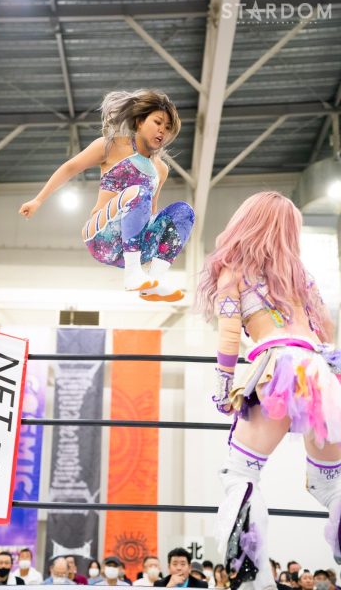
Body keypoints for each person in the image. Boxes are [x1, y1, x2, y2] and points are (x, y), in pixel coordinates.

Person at [196, 191, 341, 590]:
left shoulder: (233, 271)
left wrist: (223, 389)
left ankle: (253, 579)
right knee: (330, 483)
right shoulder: (300, 275)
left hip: (279, 369)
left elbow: (229, 337)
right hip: (323, 372)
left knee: (240, 473)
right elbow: (324, 331)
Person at [19, 89, 195, 302]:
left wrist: (152, 254)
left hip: (134, 247)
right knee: (139, 192)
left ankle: (153, 281)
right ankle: (132, 274)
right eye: (158, 122)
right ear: (139, 122)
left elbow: (151, 210)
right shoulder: (112, 145)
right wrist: (38, 199)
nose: (162, 131)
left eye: (167, 128)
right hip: (101, 237)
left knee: (184, 211)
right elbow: (70, 168)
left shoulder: (161, 169)